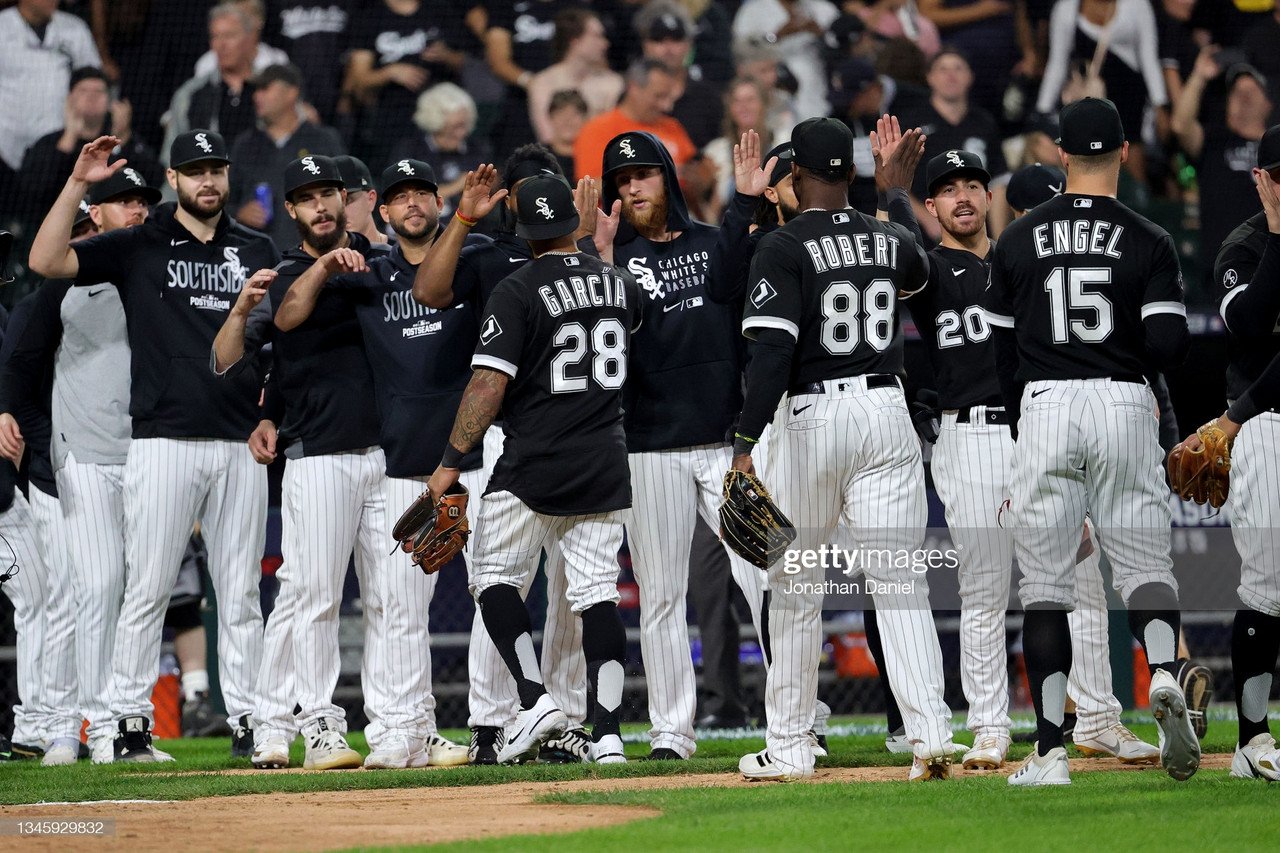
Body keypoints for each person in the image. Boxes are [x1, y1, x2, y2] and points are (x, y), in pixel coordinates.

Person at [877, 126, 1159, 770]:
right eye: (945, 191)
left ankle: (1098, 719)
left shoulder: (1020, 256)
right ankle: (988, 727)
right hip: (969, 435)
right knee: (984, 587)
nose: (961, 197)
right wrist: (894, 192)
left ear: (990, 193)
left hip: (1037, 429)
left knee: (1080, 580)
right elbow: (899, 252)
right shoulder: (927, 270)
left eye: (971, 184)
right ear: (931, 208)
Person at [28, 129, 279, 762]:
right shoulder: (142, 243)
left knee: (241, 592)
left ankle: (251, 724)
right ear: (174, 179)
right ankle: (128, 728)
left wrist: (267, 412)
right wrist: (80, 183)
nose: (207, 181)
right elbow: (46, 260)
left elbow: (272, 348)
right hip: (162, 440)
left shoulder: (254, 247)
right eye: (194, 170)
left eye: (216, 169)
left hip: (236, 444)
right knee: (146, 590)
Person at [213, 154, 469, 770]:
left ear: (349, 199)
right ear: (293, 211)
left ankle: (401, 725)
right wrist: (326, 265)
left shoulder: (379, 266)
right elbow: (280, 324)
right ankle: (313, 722)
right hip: (319, 454)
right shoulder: (287, 272)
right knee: (314, 595)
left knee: (395, 599)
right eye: (307, 198)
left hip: (389, 457)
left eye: (329, 193)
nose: (321, 205)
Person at [983, 97, 1199, 786]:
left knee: (1046, 586)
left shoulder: (1016, 238)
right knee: (1142, 566)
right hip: (1124, 398)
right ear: (1125, 153)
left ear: (1058, 154)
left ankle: (1049, 750)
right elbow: (1168, 343)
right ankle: (1163, 669)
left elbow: (994, 354)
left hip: (1045, 401)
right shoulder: (1148, 237)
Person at [732, 117, 954, 782]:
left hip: (813, 414)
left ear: (794, 175)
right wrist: (893, 194)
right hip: (887, 409)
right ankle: (932, 735)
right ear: (850, 174)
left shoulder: (782, 242)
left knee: (796, 586)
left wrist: (745, 446)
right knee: (899, 582)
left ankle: (794, 745)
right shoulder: (886, 234)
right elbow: (919, 268)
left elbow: (770, 354)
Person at [420, 173, 641, 765]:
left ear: (522, 231)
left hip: (534, 457)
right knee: (598, 594)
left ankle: (534, 697)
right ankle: (611, 734)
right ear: (575, 220)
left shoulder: (517, 288)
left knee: (492, 579)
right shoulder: (620, 284)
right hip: (603, 458)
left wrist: (449, 464)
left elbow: (488, 383)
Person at [595, 130, 767, 761]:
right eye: (621, 179)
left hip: (728, 446)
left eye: (642, 173)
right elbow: (612, 336)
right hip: (649, 449)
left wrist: (746, 205)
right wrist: (607, 262)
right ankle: (671, 732)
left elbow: (730, 282)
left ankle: (796, 719)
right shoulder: (615, 259)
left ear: (667, 176)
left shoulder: (711, 243)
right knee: (662, 598)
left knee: (767, 575)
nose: (632, 186)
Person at [0, 166, 162, 765]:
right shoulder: (67, 274)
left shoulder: (156, 271)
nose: (136, 211)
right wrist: (16, 421)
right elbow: (21, 353)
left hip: (145, 452)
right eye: (123, 203)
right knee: (83, 593)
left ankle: (112, 724)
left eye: (142, 202)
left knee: (131, 595)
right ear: (95, 212)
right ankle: (77, 725)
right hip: (71, 458)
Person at [1212, 123, 1280, 781]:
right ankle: (1252, 740)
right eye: (1279, 174)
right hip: (1265, 425)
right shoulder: (1245, 245)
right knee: (1266, 583)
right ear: (1259, 178)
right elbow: (1250, 325)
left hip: (1250, 416)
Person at [1036, 0, 1168, 185]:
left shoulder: (1137, 5)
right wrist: (1041, 111)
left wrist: (1160, 104)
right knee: (1089, 161)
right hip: (1089, 102)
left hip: (1129, 98)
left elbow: (1149, 58)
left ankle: (1136, 207)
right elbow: (1057, 63)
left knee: (1133, 162)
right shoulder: (1066, 8)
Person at [19, 67, 162, 228]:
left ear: (109, 101)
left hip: (114, 229)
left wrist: (123, 139)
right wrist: (68, 140)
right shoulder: (49, 143)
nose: (91, 97)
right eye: (84, 91)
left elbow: (154, 181)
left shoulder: (124, 138)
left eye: (99, 92)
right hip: (55, 229)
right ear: (69, 98)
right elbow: (30, 194)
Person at [1171, 49, 1272, 277]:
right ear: (1227, 105)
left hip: (1270, 265)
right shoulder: (1214, 141)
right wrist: (1199, 75)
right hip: (1222, 265)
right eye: (1237, 91)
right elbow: (1180, 125)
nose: (1244, 95)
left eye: (1251, 89)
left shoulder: (1276, 146)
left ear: (1268, 103)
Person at [343, 0, 471, 170]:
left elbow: (464, 63)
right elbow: (359, 81)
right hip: (391, 119)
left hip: (442, 117)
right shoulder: (369, 16)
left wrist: (446, 55)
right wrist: (390, 72)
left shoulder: (439, 9)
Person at [227, 63, 345, 248]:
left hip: (314, 255)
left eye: (265, 89)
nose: (257, 96)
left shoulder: (323, 140)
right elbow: (225, 201)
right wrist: (239, 214)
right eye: (256, 90)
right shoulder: (245, 144)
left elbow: (347, 195)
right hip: (257, 258)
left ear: (291, 93)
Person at [897, 49, 1011, 239]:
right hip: (926, 236)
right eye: (943, 69)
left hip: (976, 231)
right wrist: (927, 220)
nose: (951, 76)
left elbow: (998, 181)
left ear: (970, 77)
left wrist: (998, 240)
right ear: (930, 77)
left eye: (958, 69)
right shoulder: (911, 124)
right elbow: (893, 181)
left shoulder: (984, 122)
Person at [0, 0, 101, 206]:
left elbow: (94, 80)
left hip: (59, 148)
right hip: (4, 149)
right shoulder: (2, 26)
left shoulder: (75, 29)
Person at [162, 3, 268, 165]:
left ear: (249, 39)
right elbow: (171, 159)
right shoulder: (190, 94)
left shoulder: (269, 89)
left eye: (229, 35)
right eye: (215, 36)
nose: (221, 45)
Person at [573, 59, 697, 182]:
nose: (667, 106)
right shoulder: (598, 129)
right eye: (659, 96)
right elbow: (590, 187)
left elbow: (693, 174)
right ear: (634, 89)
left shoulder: (672, 126)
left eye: (668, 97)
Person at [389, 82, 491, 217]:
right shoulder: (410, 151)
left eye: (464, 126)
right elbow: (407, 196)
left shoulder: (477, 149)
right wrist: (459, 184)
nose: (460, 134)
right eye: (455, 127)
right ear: (435, 122)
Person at [731, 0, 841, 121]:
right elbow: (742, 50)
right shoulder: (753, 11)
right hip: (775, 89)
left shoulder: (822, 7)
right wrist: (778, 35)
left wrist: (820, 33)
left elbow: (844, 49)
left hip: (818, 84)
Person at [527, 9, 623, 146]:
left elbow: (612, 136)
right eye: (597, 36)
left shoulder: (613, 83)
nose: (605, 44)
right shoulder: (542, 83)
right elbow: (548, 137)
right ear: (575, 41)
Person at [638, 2, 724, 150]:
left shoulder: (708, 97)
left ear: (689, 44)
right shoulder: (632, 94)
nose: (668, 48)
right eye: (658, 39)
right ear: (645, 45)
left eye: (676, 38)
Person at [334, 155, 388, 246]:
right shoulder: (321, 259)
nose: (341, 212)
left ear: (371, 199)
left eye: (347, 201)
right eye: (335, 204)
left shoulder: (402, 254)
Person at [545, 91, 589, 179]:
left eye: (574, 114)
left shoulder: (596, 157)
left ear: (585, 118)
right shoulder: (536, 158)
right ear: (551, 117)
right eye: (561, 114)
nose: (567, 121)